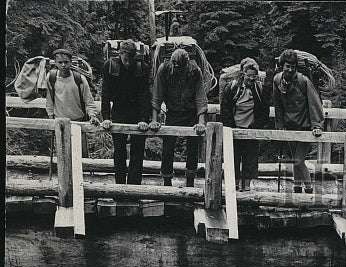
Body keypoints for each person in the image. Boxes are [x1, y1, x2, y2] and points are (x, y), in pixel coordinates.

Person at [151, 47, 207, 187]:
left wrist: (201, 122)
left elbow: (200, 97)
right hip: (173, 112)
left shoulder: (195, 71)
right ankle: (167, 181)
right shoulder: (164, 70)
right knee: (168, 147)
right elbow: (157, 95)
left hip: (190, 113)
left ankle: (190, 182)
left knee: (193, 148)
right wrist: (154, 119)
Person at [100, 40, 152, 185]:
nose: (127, 63)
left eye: (130, 59)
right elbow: (105, 93)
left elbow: (144, 94)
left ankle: (134, 186)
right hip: (118, 111)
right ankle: (120, 185)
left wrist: (144, 118)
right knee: (120, 150)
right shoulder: (110, 66)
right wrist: (106, 117)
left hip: (136, 112)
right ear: (120, 54)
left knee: (137, 150)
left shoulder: (142, 67)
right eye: (125, 59)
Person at [272, 49, 324, 194]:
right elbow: (278, 105)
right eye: (287, 66)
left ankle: (308, 190)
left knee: (299, 160)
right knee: (295, 159)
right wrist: (280, 125)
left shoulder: (303, 81)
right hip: (290, 126)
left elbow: (315, 103)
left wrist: (317, 125)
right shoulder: (277, 80)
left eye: (292, 66)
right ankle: (297, 190)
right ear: (282, 66)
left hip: (305, 126)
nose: (290, 69)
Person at [220, 57, 271, 190]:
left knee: (250, 161)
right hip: (234, 129)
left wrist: (256, 127)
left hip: (251, 130)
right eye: (249, 76)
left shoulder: (260, 89)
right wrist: (231, 127)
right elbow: (225, 109)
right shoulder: (232, 88)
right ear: (243, 74)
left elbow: (264, 111)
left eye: (254, 76)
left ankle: (247, 189)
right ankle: (234, 188)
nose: (252, 79)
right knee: (234, 160)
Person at [45, 48, 99, 156]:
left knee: (80, 156)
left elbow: (88, 100)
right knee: (63, 156)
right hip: (60, 122)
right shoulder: (51, 78)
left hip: (78, 122)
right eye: (60, 62)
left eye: (66, 62)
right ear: (55, 63)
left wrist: (92, 115)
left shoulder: (79, 79)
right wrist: (51, 117)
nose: (63, 65)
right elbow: (50, 100)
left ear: (71, 62)